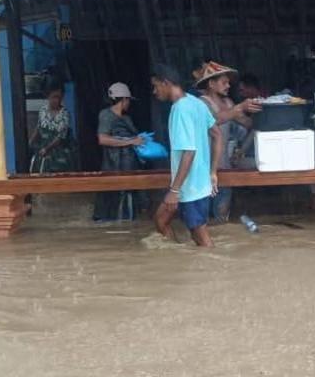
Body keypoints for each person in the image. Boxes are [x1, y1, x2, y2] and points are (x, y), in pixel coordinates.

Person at [151, 64, 224, 247]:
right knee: (161, 220)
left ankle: (208, 263)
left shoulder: (180, 110)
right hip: (198, 183)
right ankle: (177, 255)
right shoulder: (196, 103)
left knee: (201, 238)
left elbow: (189, 152)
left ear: (166, 83)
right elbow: (217, 134)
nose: (154, 91)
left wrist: (174, 191)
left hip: (189, 188)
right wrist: (212, 172)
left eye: (156, 86)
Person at [192, 61, 261, 222]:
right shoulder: (201, 103)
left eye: (228, 82)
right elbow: (214, 120)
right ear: (211, 84)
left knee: (222, 217)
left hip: (224, 168)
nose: (228, 86)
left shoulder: (228, 103)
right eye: (224, 82)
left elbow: (247, 124)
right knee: (202, 218)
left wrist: (262, 113)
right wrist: (239, 108)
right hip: (204, 169)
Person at [92, 82, 146, 222]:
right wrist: (130, 141)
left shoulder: (126, 118)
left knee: (128, 198)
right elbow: (103, 139)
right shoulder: (106, 115)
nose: (129, 103)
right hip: (113, 164)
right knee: (111, 196)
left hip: (128, 164)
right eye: (128, 100)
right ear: (124, 99)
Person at [28, 83, 78, 173]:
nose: (57, 100)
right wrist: (31, 142)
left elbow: (61, 136)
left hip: (58, 152)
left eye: (59, 97)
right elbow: (39, 128)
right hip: (42, 151)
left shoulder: (65, 114)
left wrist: (47, 149)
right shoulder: (43, 111)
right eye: (54, 97)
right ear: (48, 96)